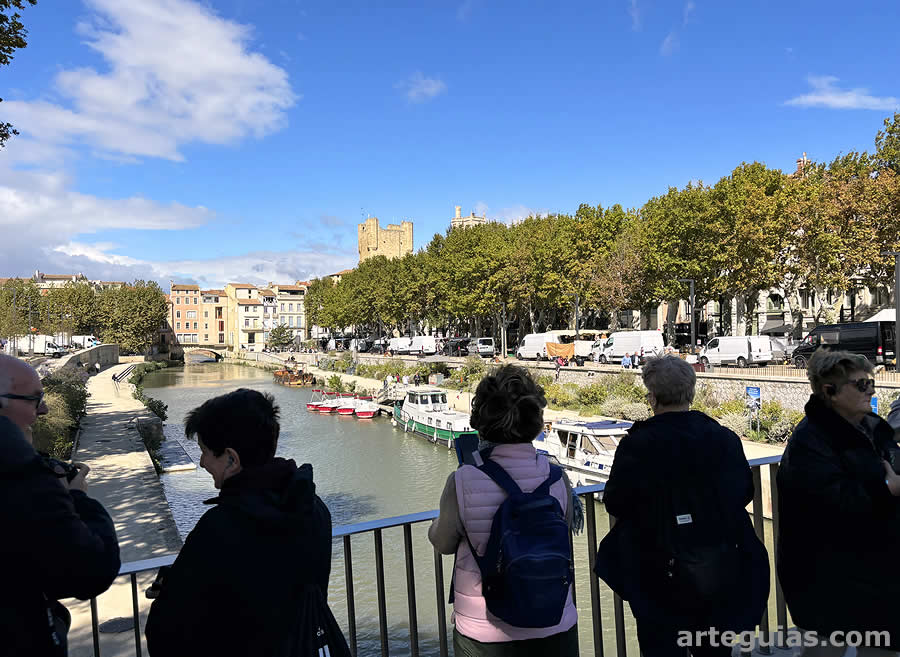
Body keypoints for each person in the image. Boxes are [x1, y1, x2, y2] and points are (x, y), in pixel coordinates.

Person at [597, 356, 769, 657]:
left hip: (659, 576)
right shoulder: (723, 438)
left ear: (652, 396)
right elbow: (744, 491)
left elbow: (616, 501)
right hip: (720, 569)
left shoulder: (638, 444)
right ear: (691, 392)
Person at [145, 388, 334, 657]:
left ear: (232, 459)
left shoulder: (219, 528)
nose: (201, 462)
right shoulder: (314, 508)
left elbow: (165, 636)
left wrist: (168, 589)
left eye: (205, 451)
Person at [428, 365, 578, 657]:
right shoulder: (557, 478)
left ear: (483, 422)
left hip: (485, 632)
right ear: (534, 422)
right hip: (555, 621)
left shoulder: (463, 479)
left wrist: (435, 526)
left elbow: (443, 542)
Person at [776, 349, 900, 654]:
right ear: (830, 392)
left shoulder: (872, 426)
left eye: (870, 383)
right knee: (827, 648)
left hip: (875, 573)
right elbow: (832, 506)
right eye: (860, 385)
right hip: (827, 579)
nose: (871, 390)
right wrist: (889, 489)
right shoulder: (809, 442)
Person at [0, 354, 120, 657]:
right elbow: (91, 570)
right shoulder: (22, 476)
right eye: (34, 400)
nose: (44, 409)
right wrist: (77, 498)